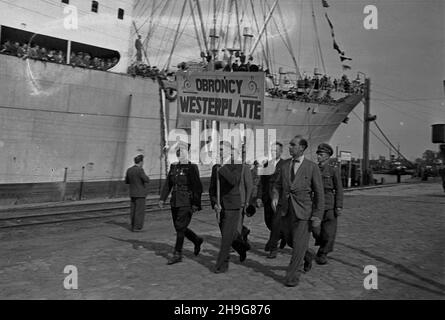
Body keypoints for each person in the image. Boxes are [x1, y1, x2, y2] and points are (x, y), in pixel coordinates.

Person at [271, 135, 324, 287]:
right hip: (286, 211)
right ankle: (307, 255)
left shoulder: (312, 167)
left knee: (299, 244)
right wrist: (275, 196)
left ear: (302, 148)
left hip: (304, 212)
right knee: (290, 241)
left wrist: (317, 215)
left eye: (293, 145)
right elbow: (277, 185)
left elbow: (319, 193)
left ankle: (292, 276)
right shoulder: (285, 165)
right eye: (290, 145)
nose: (290, 147)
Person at [209, 141, 252, 273]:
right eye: (219, 150)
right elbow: (212, 188)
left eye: (222, 149)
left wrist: (222, 168)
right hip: (221, 206)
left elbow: (234, 181)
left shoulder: (236, 164)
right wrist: (215, 202)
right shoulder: (216, 167)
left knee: (226, 237)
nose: (220, 152)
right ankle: (242, 247)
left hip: (233, 205)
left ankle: (222, 265)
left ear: (230, 151)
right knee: (230, 235)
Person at [159, 142, 204, 265]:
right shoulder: (174, 167)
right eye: (178, 151)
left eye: (182, 151)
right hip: (175, 201)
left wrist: (195, 204)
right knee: (179, 227)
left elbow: (197, 187)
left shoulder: (192, 167)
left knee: (180, 228)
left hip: (186, 202)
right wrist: (162, 199)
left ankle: (177, 254)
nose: (180, 153)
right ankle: (196, 239)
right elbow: (168, 184)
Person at [314, 143, 343, 265]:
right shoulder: (314, 169)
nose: (318, 157)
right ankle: (323, 244)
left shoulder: (333, 170)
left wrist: (339, 205)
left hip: (329, 204)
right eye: (318, 154)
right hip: (316, 204)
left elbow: (339, 188)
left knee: (329, 232)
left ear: (327, 156)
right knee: (316, 230)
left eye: (321, 155)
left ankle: (323, 253)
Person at [257, 142, 286, 258]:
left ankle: (273, 248)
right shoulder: (266, 165)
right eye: (272, 150)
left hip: (279, 199)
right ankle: (282, 236)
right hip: (267, 198)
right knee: (268, 222)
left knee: (275, 223)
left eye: (276, 150)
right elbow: (261, 183)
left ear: (281, 151)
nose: (274, 152)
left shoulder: (286, 165)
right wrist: (259, 197)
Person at [125, 154, 150, 232]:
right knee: (139, 211)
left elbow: (127, 181)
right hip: (140, 193)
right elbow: (146, 179)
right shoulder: (140, 170)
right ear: (141, 162)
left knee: (133, 210)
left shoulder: (129, 170)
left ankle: (133, 225)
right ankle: (137, 227)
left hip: (132, 193)